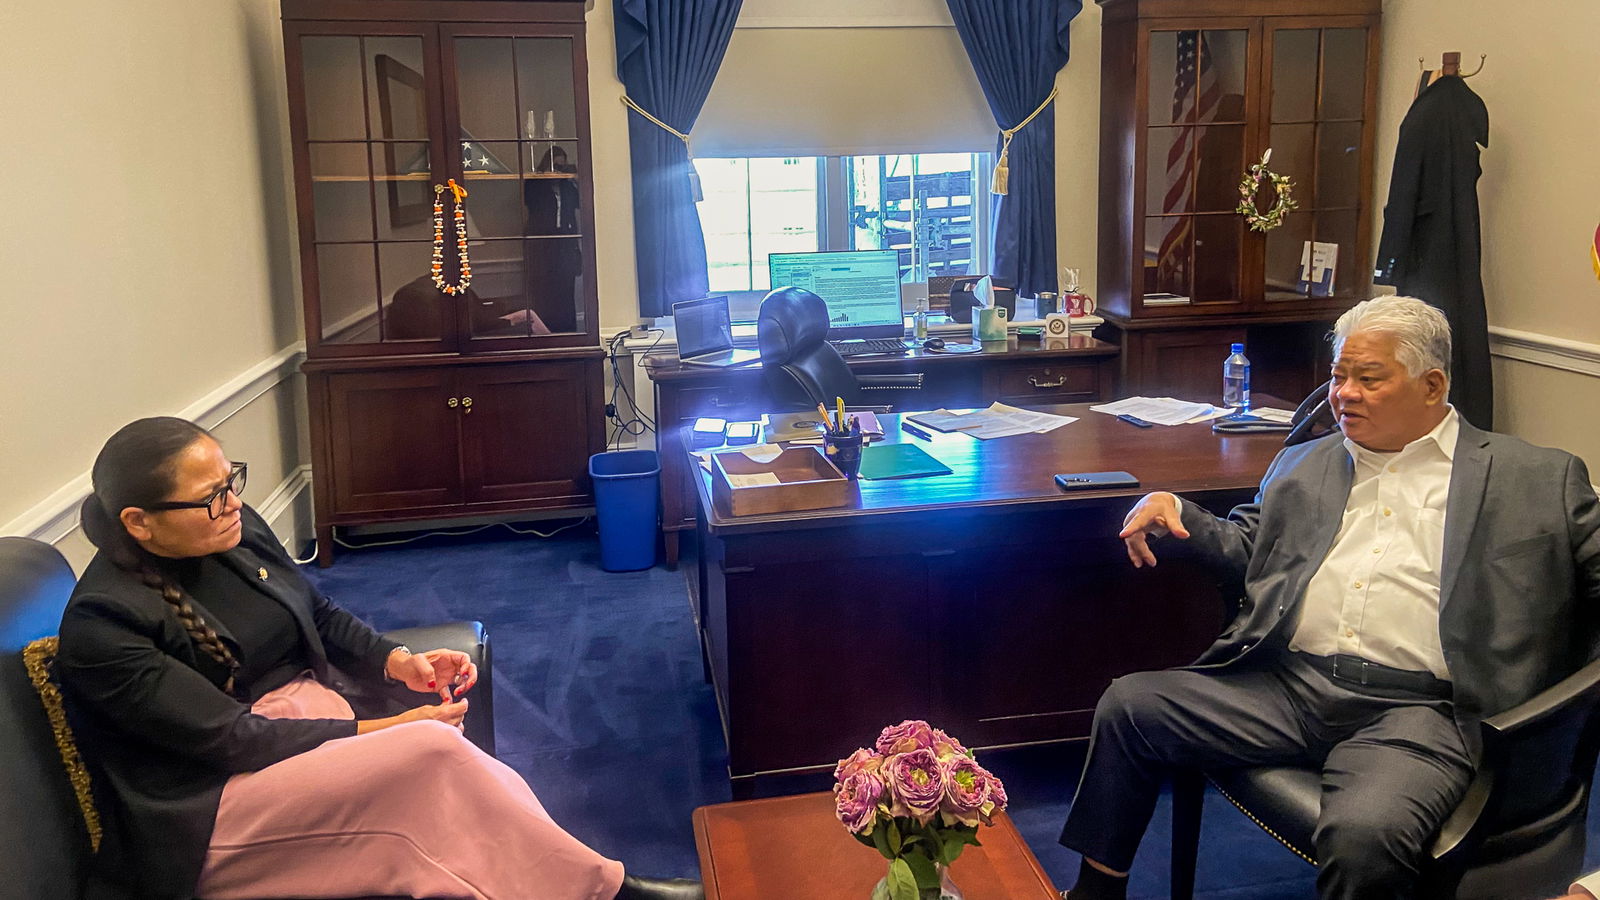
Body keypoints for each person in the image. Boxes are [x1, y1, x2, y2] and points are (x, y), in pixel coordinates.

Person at [1056, 296, 1600, 900]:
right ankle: (1095, 891)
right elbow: (1253, 549)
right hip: (1290, 686)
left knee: (1366, 833)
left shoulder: (1537, 479)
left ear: (1432, 384)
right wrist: (1180, 513)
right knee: (1130, 706)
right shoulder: (1304, 463)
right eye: (1339, 375)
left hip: (1419, 712)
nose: (1344, 393)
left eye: (1369, 378)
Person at [56, 417, 702, 900]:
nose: (231, 504)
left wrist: (397, 663)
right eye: (210, 498)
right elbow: (232, 740)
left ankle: (592, 884)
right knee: (430, 754)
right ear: (140, 523)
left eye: (232, 483)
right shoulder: (106, 623)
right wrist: (385, 730)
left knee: (453, 786)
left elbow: (318, 613)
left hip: (294, 726)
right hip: (207, 810)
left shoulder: (233, 527)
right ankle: (609, 891)